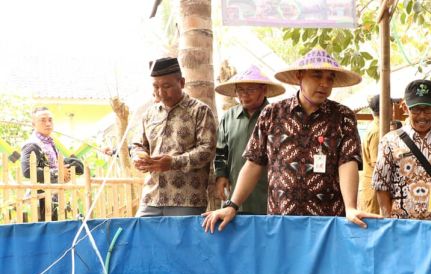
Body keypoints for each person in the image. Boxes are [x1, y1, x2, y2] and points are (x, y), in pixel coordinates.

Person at [202, 48, 380, 232]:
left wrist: (351, 208)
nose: (324, 83)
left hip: (328, 223)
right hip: (281, 221)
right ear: (299, 76)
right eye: (317, 76)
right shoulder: (272, 114)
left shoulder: (343, 116)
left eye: (330, 78)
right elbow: (254, 163)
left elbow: (348, 162)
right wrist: (232, 205)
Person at [131, 57, 217, 217]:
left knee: (183, 242)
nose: (161, 92)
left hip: (187, 200)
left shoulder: (200, 111)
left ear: (182, 83)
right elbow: (137, 144)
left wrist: (172, 162)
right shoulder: (149, 114)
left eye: (167, 86)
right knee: (141, 238)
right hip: (151, 197)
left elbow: (207, 151)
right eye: (155, 86)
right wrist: (138, 156)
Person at [372, 79, 431, 220]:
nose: (422, 115)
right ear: (405, 108)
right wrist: (387, 220)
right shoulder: (389, 141)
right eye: (416, 109)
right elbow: (381, 185)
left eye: (428, 108)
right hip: (402, 225)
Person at [213, 65, 285, 215]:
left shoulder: (277, 116)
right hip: (234, 190)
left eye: (251, 90)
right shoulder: (228, 117)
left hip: (267, 192)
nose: (245, 95)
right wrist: (221, 176)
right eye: (240, 90)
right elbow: (220, 151)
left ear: (263, 90)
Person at [21, 106, 84, 221]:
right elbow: (27, 171)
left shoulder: (50, 143)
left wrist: (71, 166)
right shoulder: (32, 145)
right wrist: (57, 173)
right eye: (43, 120)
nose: (48, 123)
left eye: (50, 120)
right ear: (33, 124)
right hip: (39, 200)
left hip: (53, 198)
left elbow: (52, 164)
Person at [360, 94, 380, 213]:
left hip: (372, 186)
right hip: (374, 189)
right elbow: (376, 164)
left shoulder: (375, 126)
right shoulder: (377, 131)